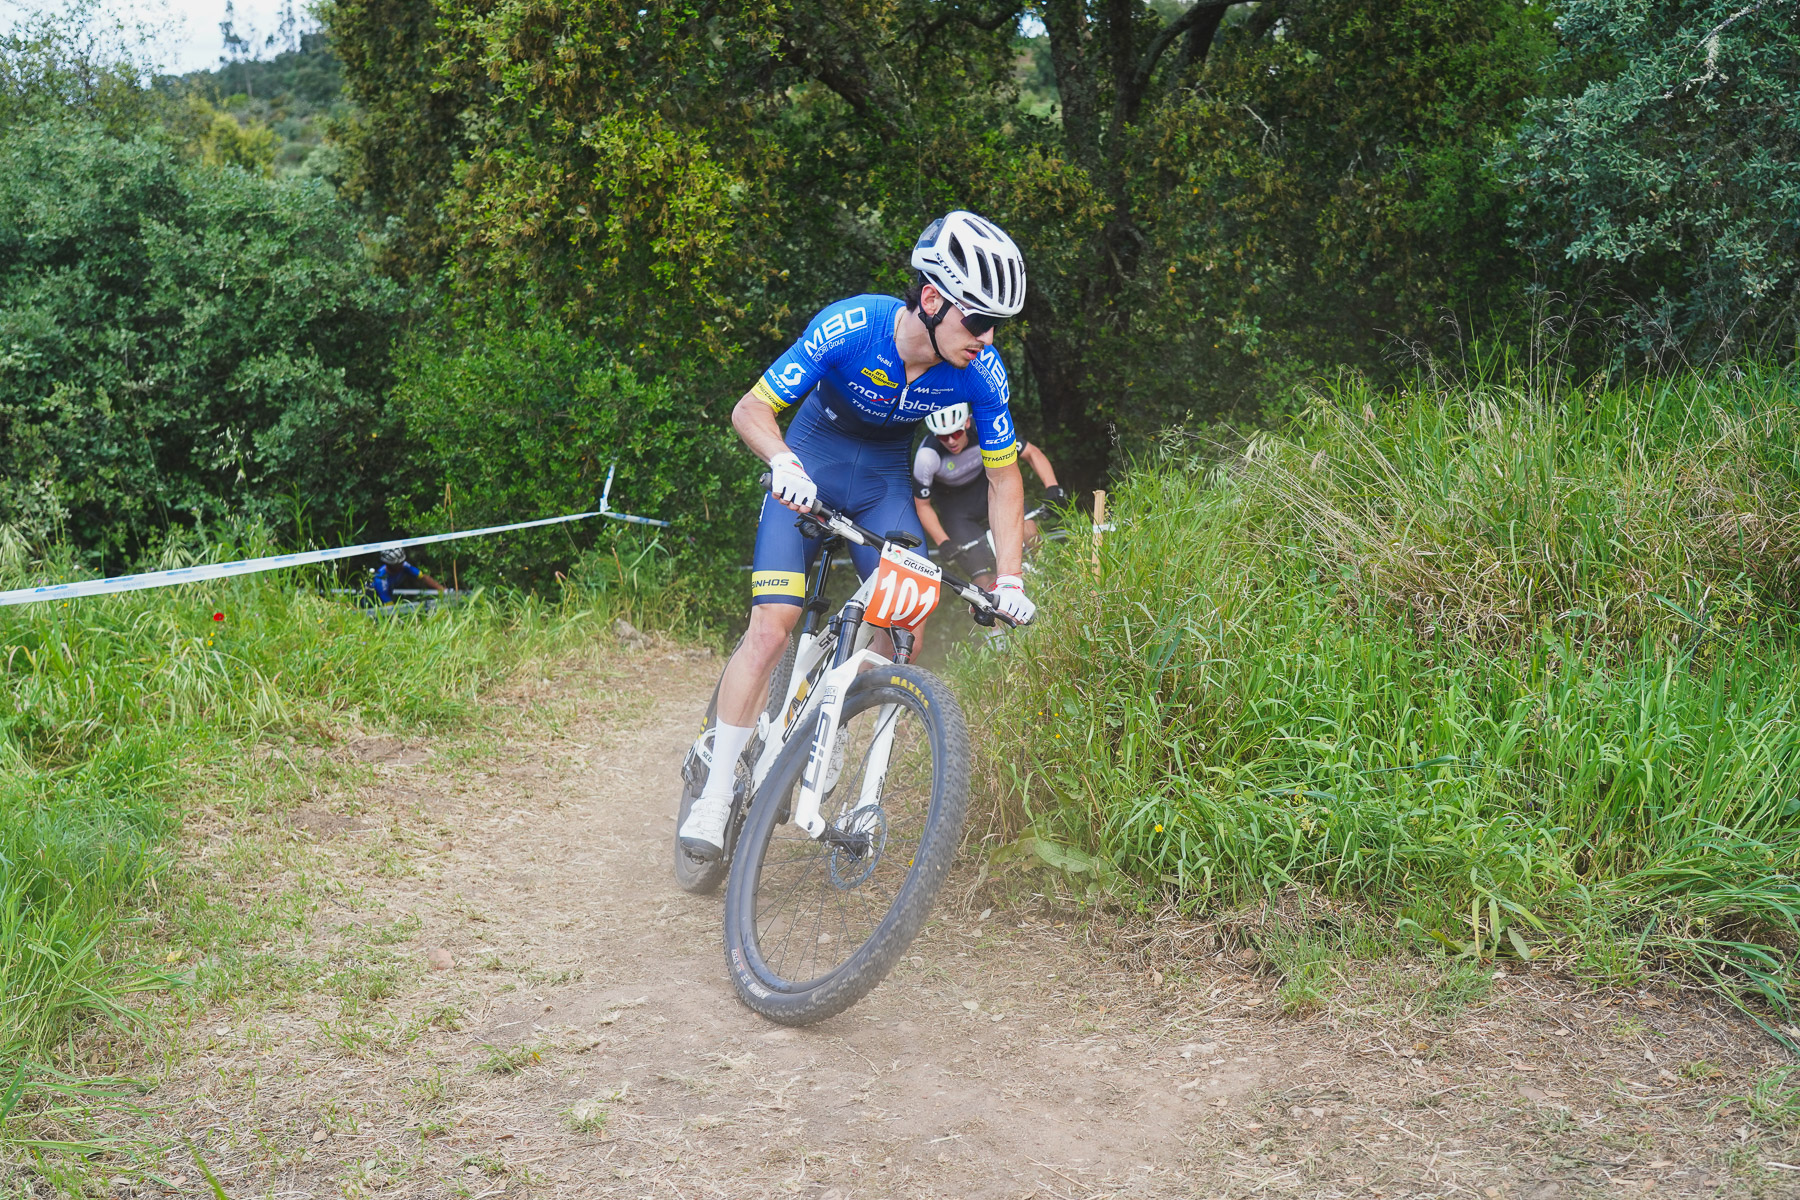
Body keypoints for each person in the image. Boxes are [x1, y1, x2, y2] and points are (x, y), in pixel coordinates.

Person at [678, 210, 1038, 860]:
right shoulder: (853, 325)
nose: (987, 338)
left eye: (997, 325)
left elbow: (1005, 480)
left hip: (881, 487)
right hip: (810, 465)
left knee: (906, 628)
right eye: (978, 319)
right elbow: (751, 409)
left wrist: (1008, 578)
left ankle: (837, 722)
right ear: (932, 298)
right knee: (773, 624)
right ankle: (714, 791)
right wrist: (782, 461)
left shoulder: (981, 373)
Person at [913, 403, 1066, 587]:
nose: (951, 441)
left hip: (989, 489)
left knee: (1029, 531)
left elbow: (1031, 453)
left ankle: (1053, 583)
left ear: (967, 423)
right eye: (943, 437)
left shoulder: (985, 428)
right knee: (982, 580)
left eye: (955, 433)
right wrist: (943, 541)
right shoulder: (927, 456)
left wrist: (1052, 487)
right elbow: (922, 504)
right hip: (956, 508)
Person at [369, 547, 446, 604]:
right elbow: (389, 607)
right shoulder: (381, 580)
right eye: (397, 564)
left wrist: (442, 590)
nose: (401, 565)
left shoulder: (404, 566)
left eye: (402, 562)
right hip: (372, 601)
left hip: (389, 595)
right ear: (388, 564)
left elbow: (423, 577)